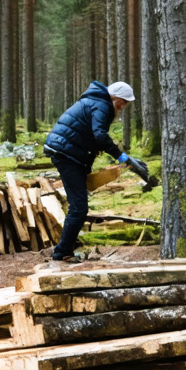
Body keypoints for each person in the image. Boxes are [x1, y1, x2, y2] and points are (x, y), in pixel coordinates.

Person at [44, 81, 144, 263]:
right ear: (113, 97)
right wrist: (121, 157)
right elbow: (99, 136)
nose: (121, 108)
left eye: (124, 105)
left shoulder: (96, 102)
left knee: (78, 205)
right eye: (121, 102)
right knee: (79, 207)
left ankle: (64, 250)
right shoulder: (102, 105)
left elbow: (91, 137)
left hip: (67, 153)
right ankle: (61, 253)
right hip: (65, 154)